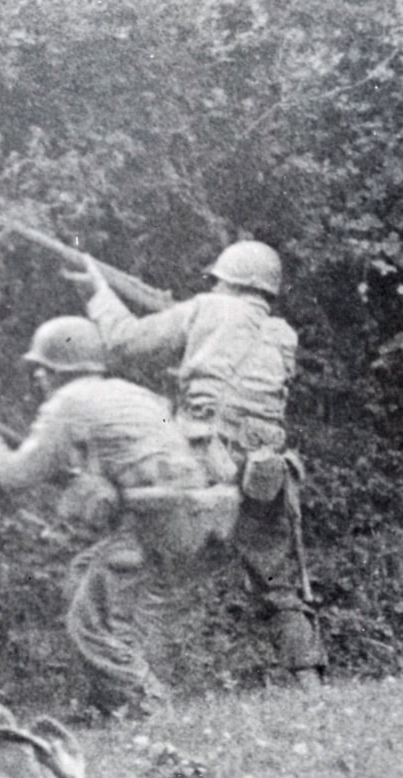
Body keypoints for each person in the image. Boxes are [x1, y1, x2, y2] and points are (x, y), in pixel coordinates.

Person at [70, 246, 326, 688]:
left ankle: (138, 691)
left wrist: (98, 291)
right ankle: (311, 684)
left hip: (205, 459)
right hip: (263, 469)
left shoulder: (208, 308)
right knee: (276, 583)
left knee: (141, 561)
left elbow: (125, 341)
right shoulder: (282, 333)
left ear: (226, 279)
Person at [0, 316, 206, 720]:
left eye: (43, 368)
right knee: (83, 582)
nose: (38, 376)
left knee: (89, 626)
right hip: (185, 514)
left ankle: (154, 707)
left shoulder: (68, 404)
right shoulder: (130, 393)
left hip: (150, 521)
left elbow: (15, 474)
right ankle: (110, 702)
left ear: (58, 371)